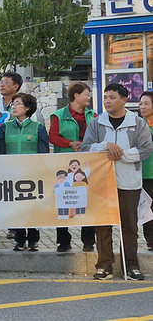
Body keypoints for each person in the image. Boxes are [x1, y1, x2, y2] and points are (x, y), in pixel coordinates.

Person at [83, 83, 152, 281]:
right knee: (103, 226)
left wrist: (121, 154)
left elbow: (146, 149)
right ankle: (104, 266)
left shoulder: (137, 123)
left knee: (129, 226)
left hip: (129, 182)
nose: (107, 101)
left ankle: (131, 266)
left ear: (124, 100)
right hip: (102, 183)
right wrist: (106, 146)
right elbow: (87, 147)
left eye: (112, 97)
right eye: (105, 97)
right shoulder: (96, 123)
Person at [0, 93, 49, 252]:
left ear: (27, 108)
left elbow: (43, 152)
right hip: (11, 174)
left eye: (18, 103)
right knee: (16, 207)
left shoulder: (38, 128)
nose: (14, 106)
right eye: (13, 104)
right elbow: (0, 151)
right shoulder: (5, 127)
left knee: (32, 207)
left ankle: (33, 239)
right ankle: (19, 239)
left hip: (32, 174)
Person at [50, 81, 96, 253]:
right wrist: (70, 143)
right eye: (86, 94)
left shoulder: (93, 115)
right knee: (63, 200)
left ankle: (88, 240)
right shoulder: (58, 116)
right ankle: (63, 241)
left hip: (87, 162)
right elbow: (53, 136)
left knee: (87, 200)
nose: (89, 97)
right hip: (64, 162)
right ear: (76, 95)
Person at [140, 91, 153, 251]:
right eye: (140, 104)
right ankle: (150, 240)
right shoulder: (137, 125)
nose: (142, 107)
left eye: (146, 103)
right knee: (146, 207)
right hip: (144, 172)